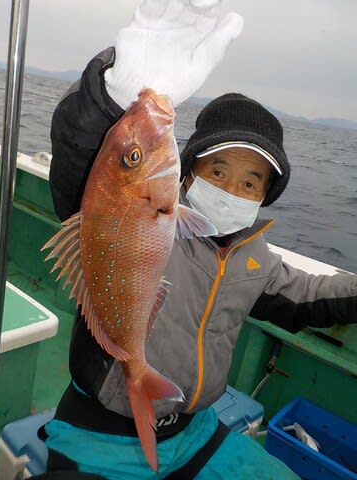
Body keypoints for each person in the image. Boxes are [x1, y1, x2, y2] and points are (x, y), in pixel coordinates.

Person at [36, 1, 357, 479]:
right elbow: (86, 169)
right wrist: (115, 95)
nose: (231, 189)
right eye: (218, 170)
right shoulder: (140, 209)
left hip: (200, 429)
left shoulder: (255, 259)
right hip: (97, 429)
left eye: (251, 183)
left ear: (264, 197)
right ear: (189, 171)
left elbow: (307, 297)